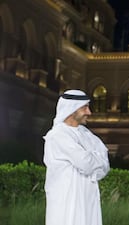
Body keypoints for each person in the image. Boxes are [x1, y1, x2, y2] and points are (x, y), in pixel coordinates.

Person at [43, 89, 110, 225]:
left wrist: (91, 161)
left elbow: (104, 164)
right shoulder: (58, 135)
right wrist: (92, 159)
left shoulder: (86, 134)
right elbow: (86, 163)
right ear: (72, 109)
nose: (89, 112)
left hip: (88, 200)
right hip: (67, 202)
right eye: (85, 108)